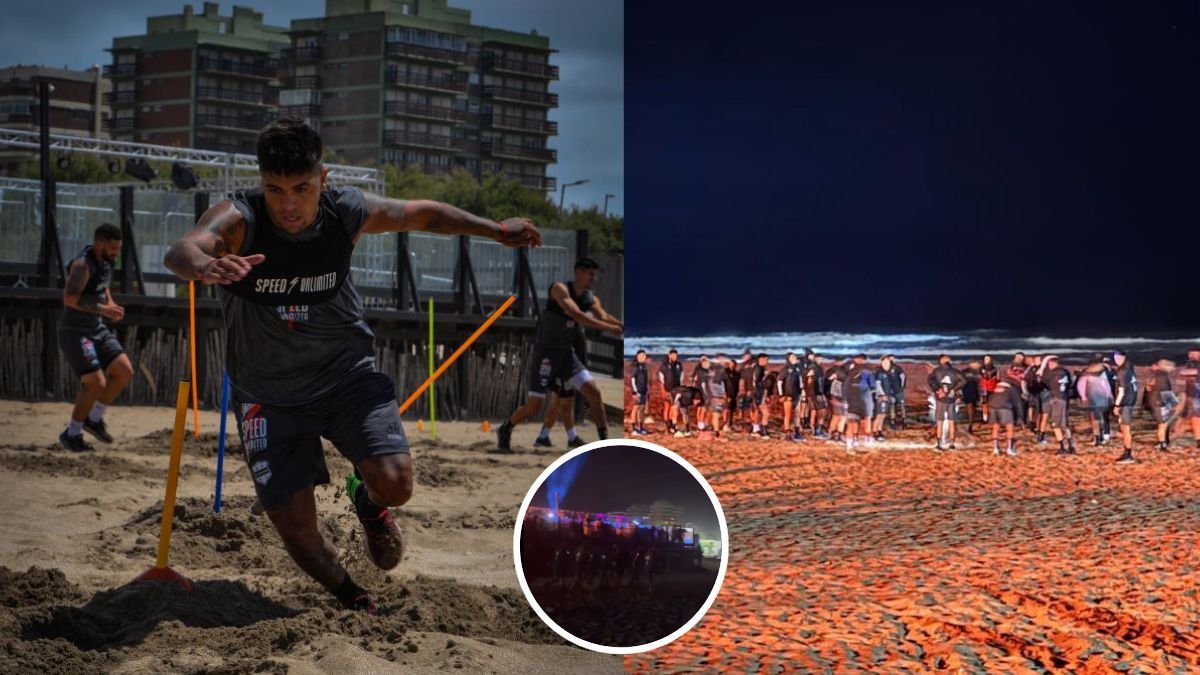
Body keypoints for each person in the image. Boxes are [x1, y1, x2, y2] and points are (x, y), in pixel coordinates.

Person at [163, 117, 540, 613]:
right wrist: (206, 265)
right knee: (298, 532)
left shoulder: (347, 211)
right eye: (276, 190)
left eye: (301, 188)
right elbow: (182, 249)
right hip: (267, 394)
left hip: (345, 374)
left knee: (397, 484)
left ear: (323, 178)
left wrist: (494, 230)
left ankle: (368, 501)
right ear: (262, 185)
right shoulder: (241, 219)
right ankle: (353, 598)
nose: (289, 205)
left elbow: (422, 214)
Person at [498, 257, 622, 449]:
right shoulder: (559, 289)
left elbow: (603, 316)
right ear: (579, 272)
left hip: (566, 354)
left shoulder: (590, 298)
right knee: (534, 406)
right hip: (546, 353)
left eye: (595, 275)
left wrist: (620, 325)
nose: (593, 278)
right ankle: (506, 427)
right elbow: (577, 315)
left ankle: (604, 443)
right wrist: (609, 328)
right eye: (591, 274)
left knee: (593, 392)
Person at [57, 223, 135, 451]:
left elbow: (103, 286)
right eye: (113, 248)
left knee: (124, 371)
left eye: (118, 248)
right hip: (75, 331)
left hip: (97, 329)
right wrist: (104, 309)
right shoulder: (82, 265)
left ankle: (94, 418)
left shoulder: (105, 262)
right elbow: (70, 299)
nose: (116, 253)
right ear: (99, 243)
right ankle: (72, 434)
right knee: (96, 383)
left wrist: (110, 304)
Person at [928, 354, 966, 451]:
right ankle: (952, 444)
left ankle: (939, 444)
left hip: (941, 399)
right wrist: (954, 389)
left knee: (939, 421)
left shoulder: (937, 371)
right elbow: (964, 381)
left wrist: (937, 390)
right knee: (951, 421)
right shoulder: (955, 372)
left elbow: (930, 380)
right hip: (951, 398)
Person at [1041, 355, 1077, 455]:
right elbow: (1070, 384)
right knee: (1065, 424)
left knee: (1055, 425)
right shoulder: (1065, 372)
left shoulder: (1051, 373)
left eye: (1049, 364)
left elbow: (1042, 379)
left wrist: (1043, 364)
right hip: (1064, 399)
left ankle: (1062, 447)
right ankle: (1071, 445)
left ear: (1052, 363)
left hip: (1056, 399)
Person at [1076, 362, 1114, 447]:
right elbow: (1107, 387)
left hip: (1094, 399)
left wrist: (1083, 397)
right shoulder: (1100, 376)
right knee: (1101, 419)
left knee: (1096, 419)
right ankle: (1101, 437)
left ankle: (1097, 438)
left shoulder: (1087, 375)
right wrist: (1110, 396)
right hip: (1102, 400)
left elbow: (1080, 385)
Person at [1145, 359, 1180, 451]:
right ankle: (1162, 444)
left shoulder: (1155, 375)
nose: (1172, 369)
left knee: (1162, 424)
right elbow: (1165, 390)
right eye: (1171, 367)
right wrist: (1173, 404)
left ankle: (1163, 442)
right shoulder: (1162, 375)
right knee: (1163, 424)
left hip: (1155, 401)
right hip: (1159, 402)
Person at [842, 354, 875, 451]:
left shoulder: (850, 372)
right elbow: (873, 387)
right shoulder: (868, 371)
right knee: (867, 419)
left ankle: (850, 443)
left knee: (852, 421)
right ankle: (867, 440)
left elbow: (845, 387)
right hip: (865, 399)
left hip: (852, 400)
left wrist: (845, 400)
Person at [989, 369, 1023, 456]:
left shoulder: (995, 388)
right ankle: (1009, 449)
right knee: (1009, 427)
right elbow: (1017, 403)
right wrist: (1020, 417)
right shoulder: (1011, 389)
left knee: (996, 427)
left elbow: (990, 399)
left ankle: (996, 448)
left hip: (993, 408)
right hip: (1005, 408)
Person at [1112, 350, 1138, 464]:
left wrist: (1117, 405)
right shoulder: (1129, 369)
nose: (1115, 360)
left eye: (1116, 358)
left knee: (1125, 429)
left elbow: (1122, 391)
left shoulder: (1122, 371)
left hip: (1125, 403)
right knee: (1123, 428)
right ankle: (1127, 451)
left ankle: (1128, 454)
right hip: (1130, 402)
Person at [701, 355, 730, 441]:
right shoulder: (716, 371)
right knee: (716, 414)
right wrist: (715, 396)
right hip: (715, 397)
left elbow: (721, 385)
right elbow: (711, 385)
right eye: (723, 360)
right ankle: (715, 434)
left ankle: (708, 432)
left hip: (716, 396)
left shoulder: (718, 371)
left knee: (714, 414)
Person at [777, 352, 804, 441]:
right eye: (793, 357)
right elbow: (779, 382)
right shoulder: (785, 370)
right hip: (788, 395)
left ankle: (797, 431)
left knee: (797, 414)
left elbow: (800, 381)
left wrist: (802, 391)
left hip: (797, 394)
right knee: (787, 414)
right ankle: (787, 432)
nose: (795, 358)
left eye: (795, 357)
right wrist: (781, 395)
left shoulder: (797, 369)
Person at [873, 355, 898, 442]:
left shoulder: (889, 373)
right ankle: (875, 432)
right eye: (884, 362)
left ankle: (879, 430)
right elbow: (878, 385)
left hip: (887, 396)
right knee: (879, 415)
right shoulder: (879, 373)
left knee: (883, 415)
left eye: (888, 363)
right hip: (881, 397)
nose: (886, 364)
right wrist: (882, 394)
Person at [802, 350, 828, 437]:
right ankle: (817, 429)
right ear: (816, 358)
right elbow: (810, 381)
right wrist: (813, 394)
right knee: (821, 411)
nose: (821, 360)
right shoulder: (814, 368)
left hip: (814, 393)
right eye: (819, 358)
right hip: (815, 393)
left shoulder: (816, 367)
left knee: (814, 411)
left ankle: (814, 429)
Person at [658, 349, 684, 433]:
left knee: (674, 408)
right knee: (667, 407)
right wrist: (663, 391)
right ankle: (667, 426)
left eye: (675, 355)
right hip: (667, 389)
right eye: (672, 355)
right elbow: (661, 380)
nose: (674, 357)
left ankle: (672, 425)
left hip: (676, 390)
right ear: (669, 355)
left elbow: (681, 378)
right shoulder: (664, 365)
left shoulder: (678, 365)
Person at [1179, 349, 1200, 449]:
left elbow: (1187, 373)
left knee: (1195, 416)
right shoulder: (1189, 364)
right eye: (1190, 354)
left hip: (1196, 390)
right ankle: (1198, 439)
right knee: (1196, 416)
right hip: (1192, 392)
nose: (1192, 356)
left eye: (1194, 354)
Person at [825, 358, 849, 442]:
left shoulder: (837, 371)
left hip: (837, 396)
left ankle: (834, 434)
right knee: (840, 417)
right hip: (837, 397)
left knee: (838, 416)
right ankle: (836, 434)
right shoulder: (837, 374)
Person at [629, 350, 650, 435]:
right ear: (637, 356)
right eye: (641, 356)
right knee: (635, 408)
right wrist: (634, 392)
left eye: (644, 356)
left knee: (641, 409)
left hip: (643, 390)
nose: (643, 357)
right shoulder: (636, 367)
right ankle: (634, 429)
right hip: (637, 391)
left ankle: (641, 427)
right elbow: (633, 380)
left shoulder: (644, 366)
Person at [750, 353, 772, 438]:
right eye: (766, 360)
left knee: (758, 412)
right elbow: (756, 383)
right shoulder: (758, 369)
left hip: (757, 393)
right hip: (759, 393)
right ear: (761, 360)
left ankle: (756, 430)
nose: (767, 361)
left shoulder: (757, 368)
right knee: (766, 413)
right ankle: (764, 431)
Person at [960, 360, 982, 432]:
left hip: (971, 391)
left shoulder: (978, 372)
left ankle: (970, 422)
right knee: (971, 406)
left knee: (971, 407)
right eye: (977, 364)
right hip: (969, 390)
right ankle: (970, 423)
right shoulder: (967, 372)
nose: (979, 365)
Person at [979, 354, 999, 424]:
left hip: (992, 388)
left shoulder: (994, 369)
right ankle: (985, 418)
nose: (986, 361)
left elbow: (991, 376)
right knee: (984, 403)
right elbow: (982, 377)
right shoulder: (981, 368)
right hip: (984, 388)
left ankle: (992, 417)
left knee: (992, 403)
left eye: (987, 359)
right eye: (985, 359)